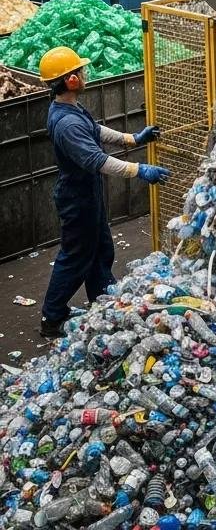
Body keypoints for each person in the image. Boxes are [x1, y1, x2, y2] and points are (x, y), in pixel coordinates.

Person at [38, 47, 170, 339]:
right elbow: (98, 161)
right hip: (77, 198)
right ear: (71, 80)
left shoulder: (68, 109)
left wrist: (132, 138)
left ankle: (102, 299)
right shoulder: (67, 124)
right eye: (81, 72)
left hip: (87, 194)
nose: (85, 75)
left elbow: (94, 131)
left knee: (100, 248)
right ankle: (52, 317)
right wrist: (139, 170)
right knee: (75, 258)